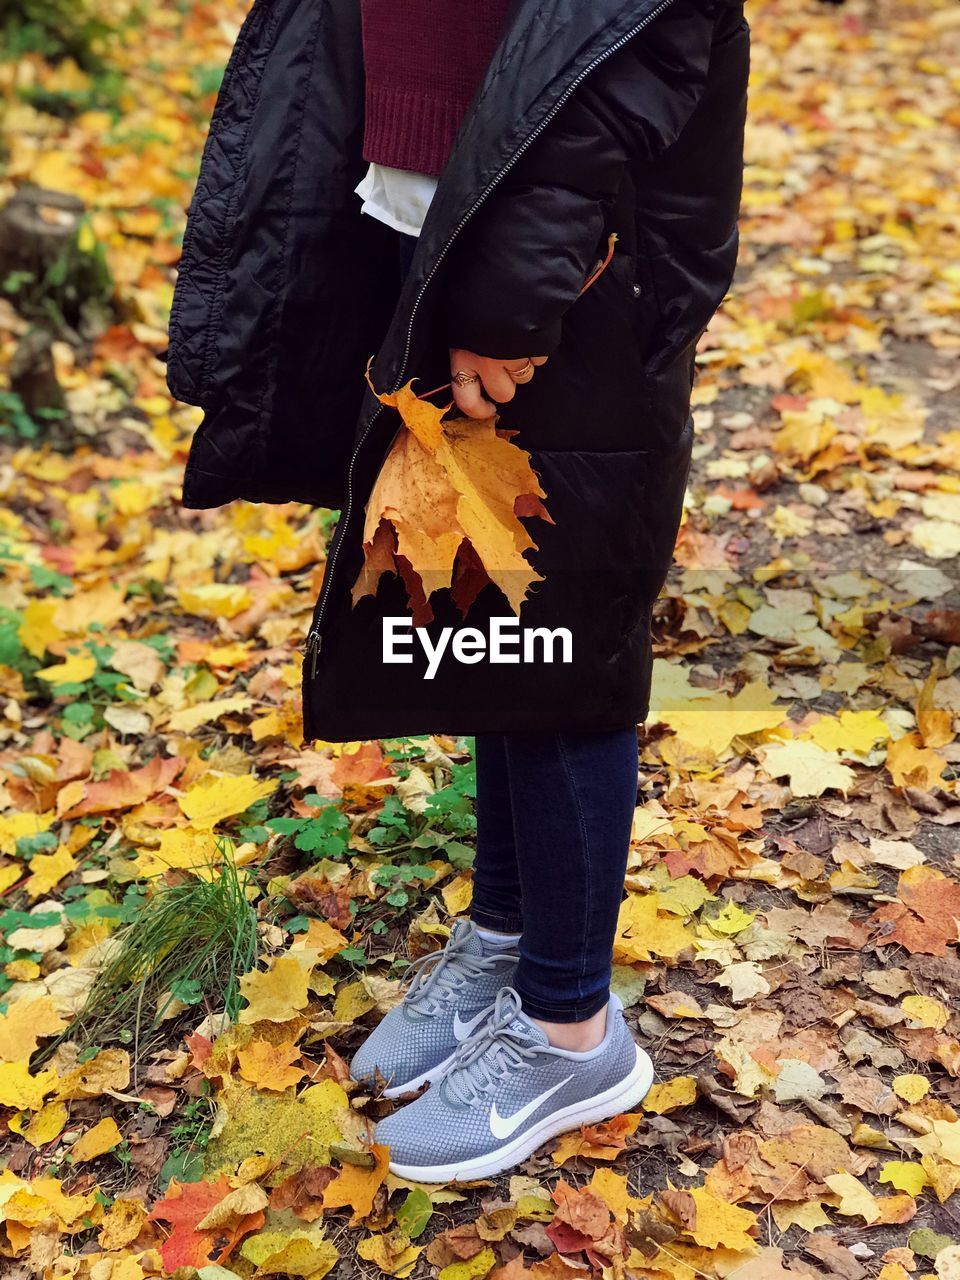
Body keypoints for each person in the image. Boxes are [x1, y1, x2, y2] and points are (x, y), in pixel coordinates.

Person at [168, 0, 749, 1181]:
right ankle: (507, 938)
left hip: (552, 237)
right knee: (491, 604)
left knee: (565, 627)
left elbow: (616, 44)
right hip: (439, 202)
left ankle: (571, 1027)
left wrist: (515, 292)